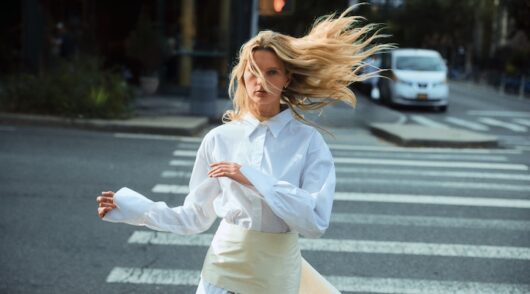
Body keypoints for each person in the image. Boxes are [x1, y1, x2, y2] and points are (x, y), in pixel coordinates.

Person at [96, 6, 389, 294]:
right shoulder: (219, 139)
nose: (261, 81)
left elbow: (314, 222)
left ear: (287, 78)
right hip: (223, 267)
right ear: (242, 76)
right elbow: (194, 217)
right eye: (253, 72)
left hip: (277, 274)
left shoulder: (308, 142)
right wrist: (136, 209)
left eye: (272, 72)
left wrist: (252, 178)